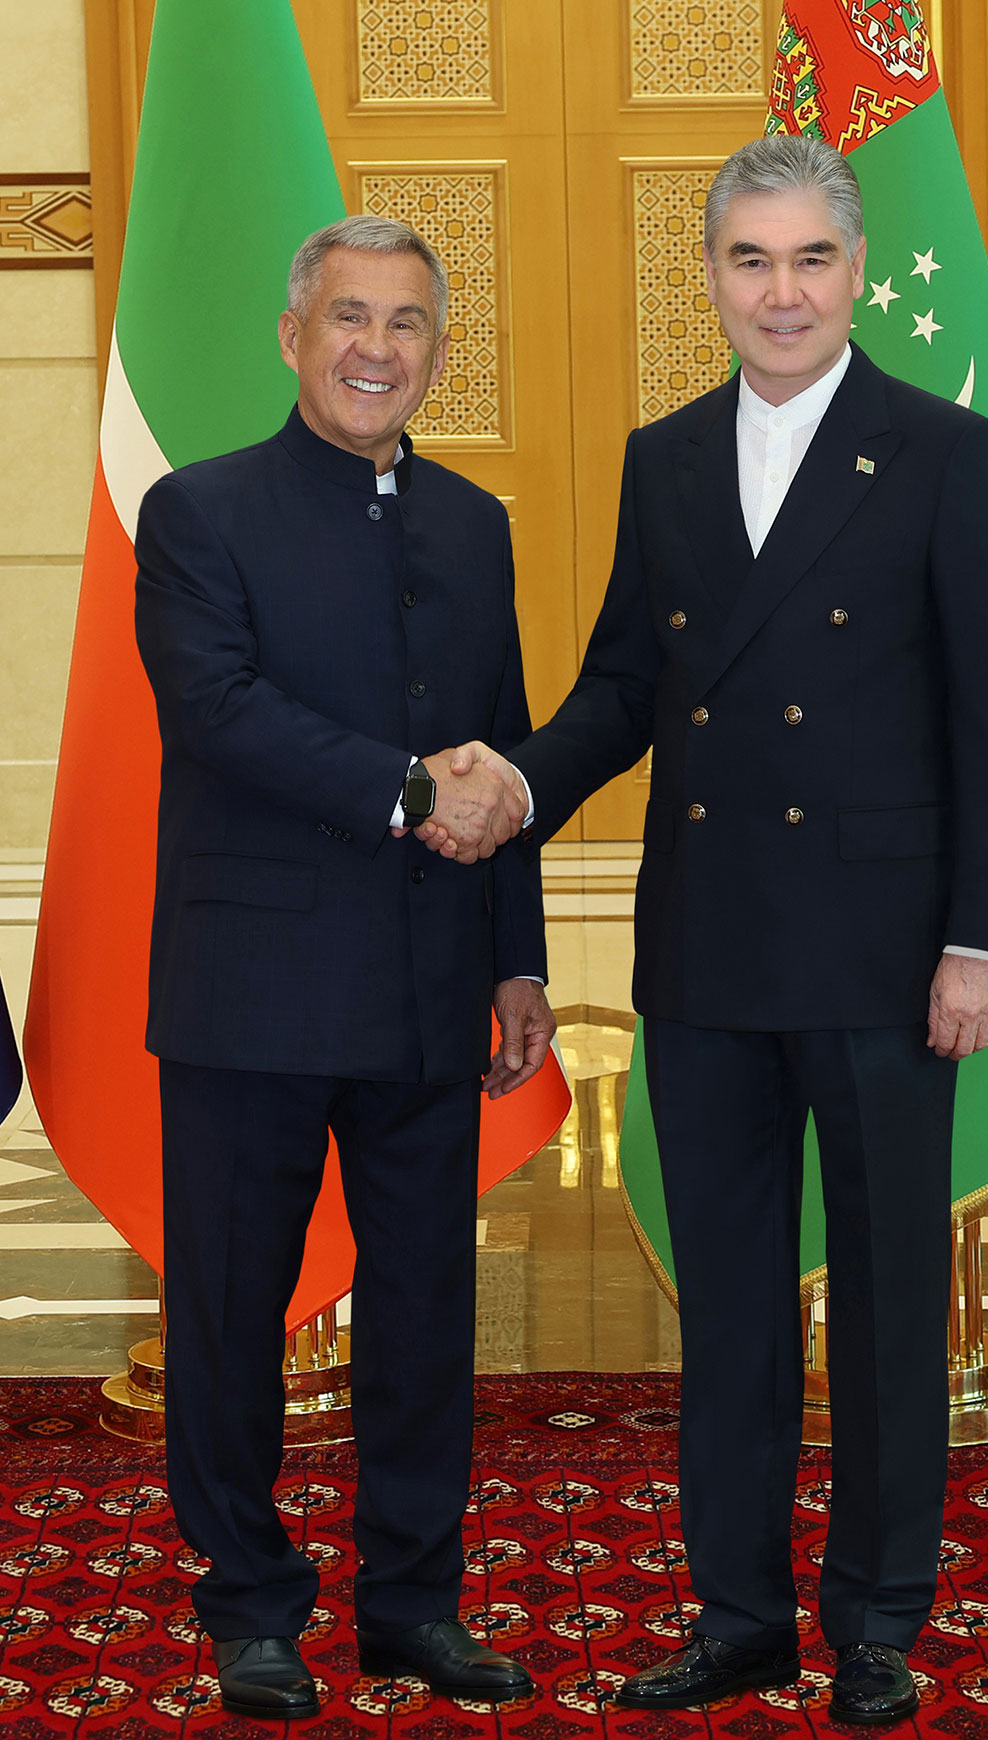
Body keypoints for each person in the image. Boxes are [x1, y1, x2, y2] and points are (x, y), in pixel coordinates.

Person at [420, 137, 988, 1726]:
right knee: (736, 1306)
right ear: (707, 277)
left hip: (894, 954)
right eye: (749, 261)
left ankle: (880, 1621)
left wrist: (985, 938)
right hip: (708, 954)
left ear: (852, 270)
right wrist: (516, 783)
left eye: (810, 260)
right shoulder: (669, 456)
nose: (782, 292)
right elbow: (631, 681)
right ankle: (742, 1616)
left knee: (892, 1301)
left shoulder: (945, 451)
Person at [134, 215, 556, 1720]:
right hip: (250, 997)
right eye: (351, 318)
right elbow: (218, 713)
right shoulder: (197, 512)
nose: (379, 348)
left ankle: (412, 1605)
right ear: (294, 334)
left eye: (410, 326)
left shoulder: (472, 523)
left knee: (428, 1316)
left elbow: (498, 744)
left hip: (433, 991)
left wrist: (519, 958)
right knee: (235, 1314)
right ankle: (248, 1603)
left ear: (438, 353)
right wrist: (406, 790)